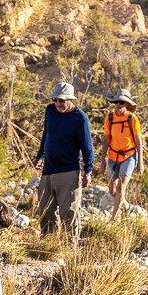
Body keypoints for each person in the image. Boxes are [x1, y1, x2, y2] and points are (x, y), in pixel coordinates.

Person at [34, 82, 94, 234]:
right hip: (48, 170)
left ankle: (70, 246)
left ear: (71, 99)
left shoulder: (80, 118)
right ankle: (48, 243)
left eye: (61, 100)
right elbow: (46, 133)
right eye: (55, 99)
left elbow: (87, 147)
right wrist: (40, 156)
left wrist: (88, 171)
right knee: (45, 211)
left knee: (69, 214)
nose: (58, 103)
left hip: (68, 172)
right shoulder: (50, 110)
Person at [98, 88, 144, 219]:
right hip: (113, 156)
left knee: (121, 188)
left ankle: (114, 219)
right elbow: (106, 140)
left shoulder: (132, 119)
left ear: (127, 104)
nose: (118, 105)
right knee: (112, 190)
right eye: (117, 102)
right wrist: (102, 161)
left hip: (128, 156)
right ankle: (127, 207)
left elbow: (138, 141)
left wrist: (140, 163)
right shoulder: (109, 118)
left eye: (122, 102)